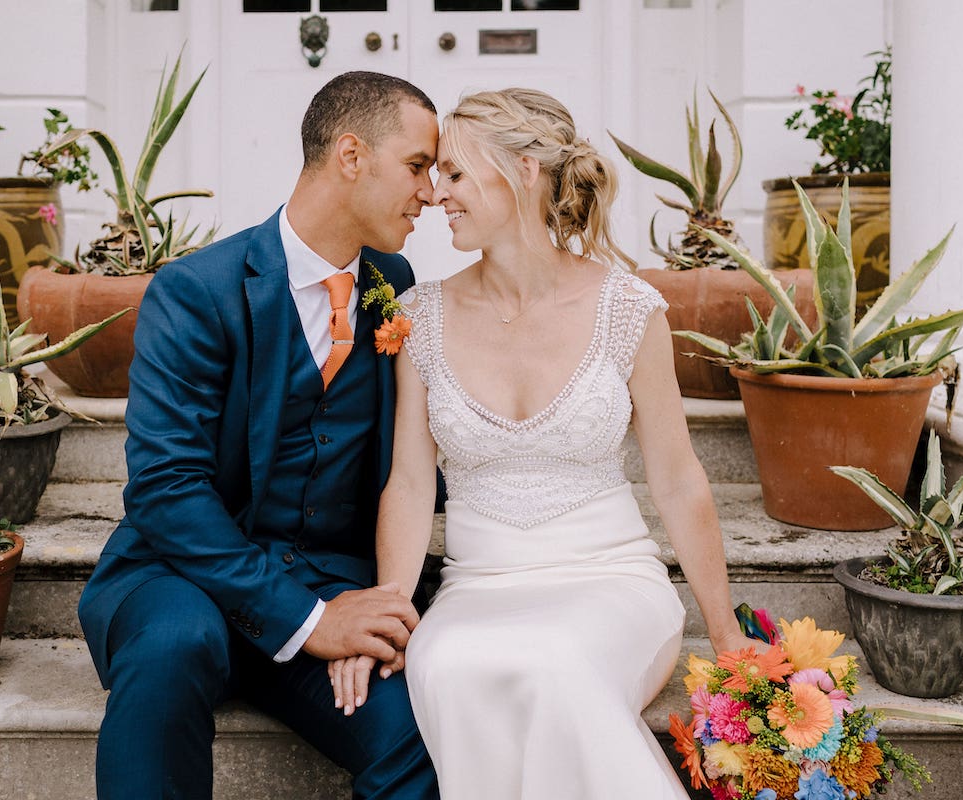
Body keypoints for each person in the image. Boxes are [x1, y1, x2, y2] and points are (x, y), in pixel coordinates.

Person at [329, 87, 751, 799]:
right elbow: (406, 482)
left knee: (557, 663)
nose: (436, 196)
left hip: (611, 584)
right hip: (477, 588)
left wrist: (726, 632)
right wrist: (391, 609)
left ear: (523, 171)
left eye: (456, 174)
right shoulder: (419, 316)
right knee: (455, 666)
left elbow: (679, 482)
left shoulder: (629, 309)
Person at [78, 71, 441, 800]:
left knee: (416, 731)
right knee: (173, 648)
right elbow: (165, 489)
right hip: (176, 577)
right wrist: (309, 622)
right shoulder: (196, 291)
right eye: (417, 165)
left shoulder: (394, 283)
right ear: (350, 156)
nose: (432, 192)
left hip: (333, 580)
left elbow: (412, 461)